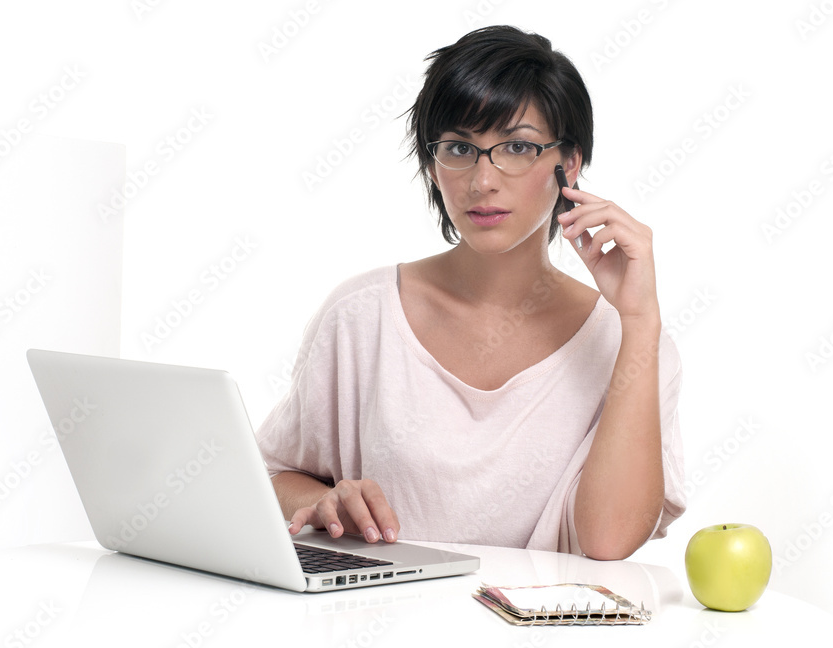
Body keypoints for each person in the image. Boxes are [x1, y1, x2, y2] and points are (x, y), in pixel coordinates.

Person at [258, 25, 684, 560]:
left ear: (569, 164)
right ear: (432, 165)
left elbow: (608, 541)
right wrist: (323, 501)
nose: (483, 180)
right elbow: (270, 472)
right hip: (383, 610)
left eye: (517, 147)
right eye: (460, 148)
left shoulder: (633, 342)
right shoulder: (360, 317)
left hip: (549, 618)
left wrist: (639, 322)